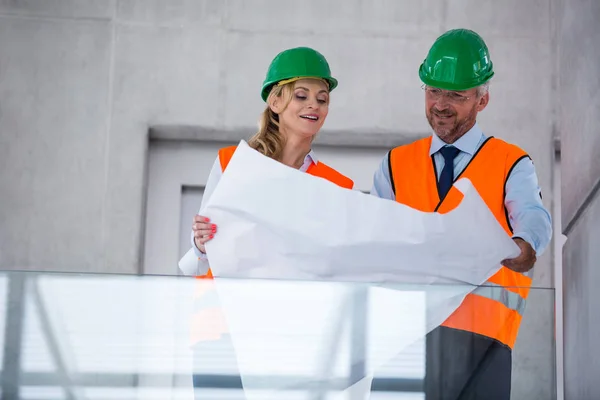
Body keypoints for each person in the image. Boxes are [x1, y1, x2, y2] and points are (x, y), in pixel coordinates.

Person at [370, 29, 552, 400]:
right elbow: (371, 237)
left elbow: (533, 217)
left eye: (456, 94)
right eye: (433, 90)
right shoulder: (394, 165)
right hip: (404, 338)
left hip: (482, 343)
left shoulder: (509, 162)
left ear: (482, 100)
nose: (440, 104)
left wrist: (524, 244)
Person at [178, 46, 354, 398]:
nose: (314, 106)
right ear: (275, 102)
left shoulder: (337, 187)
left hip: (294, 342)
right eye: (301, 96)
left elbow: (338, 271)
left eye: (322, 99)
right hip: (222, 336)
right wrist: (200, 243)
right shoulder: (232, 164)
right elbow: (200, 261)